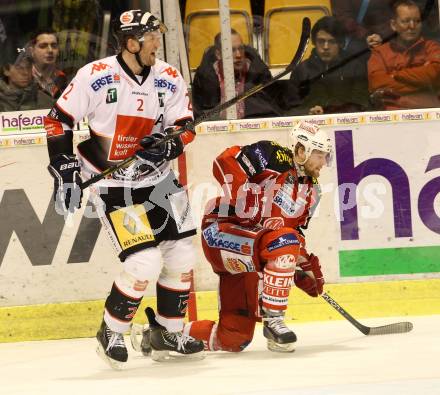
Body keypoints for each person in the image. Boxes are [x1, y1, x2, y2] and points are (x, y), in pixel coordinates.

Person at [44, 9, 204, 368]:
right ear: (132, 43)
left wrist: (170, 144)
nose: (157, 45)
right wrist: (64, 165)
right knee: (144, 260)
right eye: (151, 39)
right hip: (115, 185)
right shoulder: (96, 76)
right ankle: (112, 330)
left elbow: (187, 125)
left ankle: (167, 332)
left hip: (160, 181)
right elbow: (58, 120)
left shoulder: (169, 76)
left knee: (182, 255)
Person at [134, 121, 332, 354]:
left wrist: (304, 266)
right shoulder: (274, 155)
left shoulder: (312, 192)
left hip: (253, 249)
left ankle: (159, 334)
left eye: (325, 156)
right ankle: (274, 320)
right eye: (319, 155)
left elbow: (295, 234)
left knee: (233, 337)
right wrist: (242, 198)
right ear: (301, 151)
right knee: (284, 241)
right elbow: (225, 160)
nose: (323, 162)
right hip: (222, 230)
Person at [284, 16, 369, 116]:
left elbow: (361, 104)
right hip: (310, 125)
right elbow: (291, 109)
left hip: (347, 124)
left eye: (331, 42)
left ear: (340, 43)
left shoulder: (355, 67)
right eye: (321, 41)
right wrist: (307, 112)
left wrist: (329, 111)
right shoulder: (302, 71)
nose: (325, 47)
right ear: (314, 42)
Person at [368, 0, 440, 110]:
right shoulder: (380, 52)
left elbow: (435, 75)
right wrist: (422, 82)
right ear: (393, 25)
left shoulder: (432, 47)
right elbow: (377, 84)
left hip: (430, 114)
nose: (412, 26)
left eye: (417, 21)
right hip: (391, 118)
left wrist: (394, 75)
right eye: (406, 21)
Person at [192, 29, 277, 119]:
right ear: (218, 54)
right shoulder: (205, 79)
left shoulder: (259, 74)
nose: (238, 55)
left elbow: (271, 111)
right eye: (232, 50)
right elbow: (200, 116)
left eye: (241, 48)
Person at [29, 29, 68, 103]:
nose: (50, 50)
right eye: (43, 46)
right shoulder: (21, 78)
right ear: (32, 51)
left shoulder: (64, 79)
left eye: (54, 46)